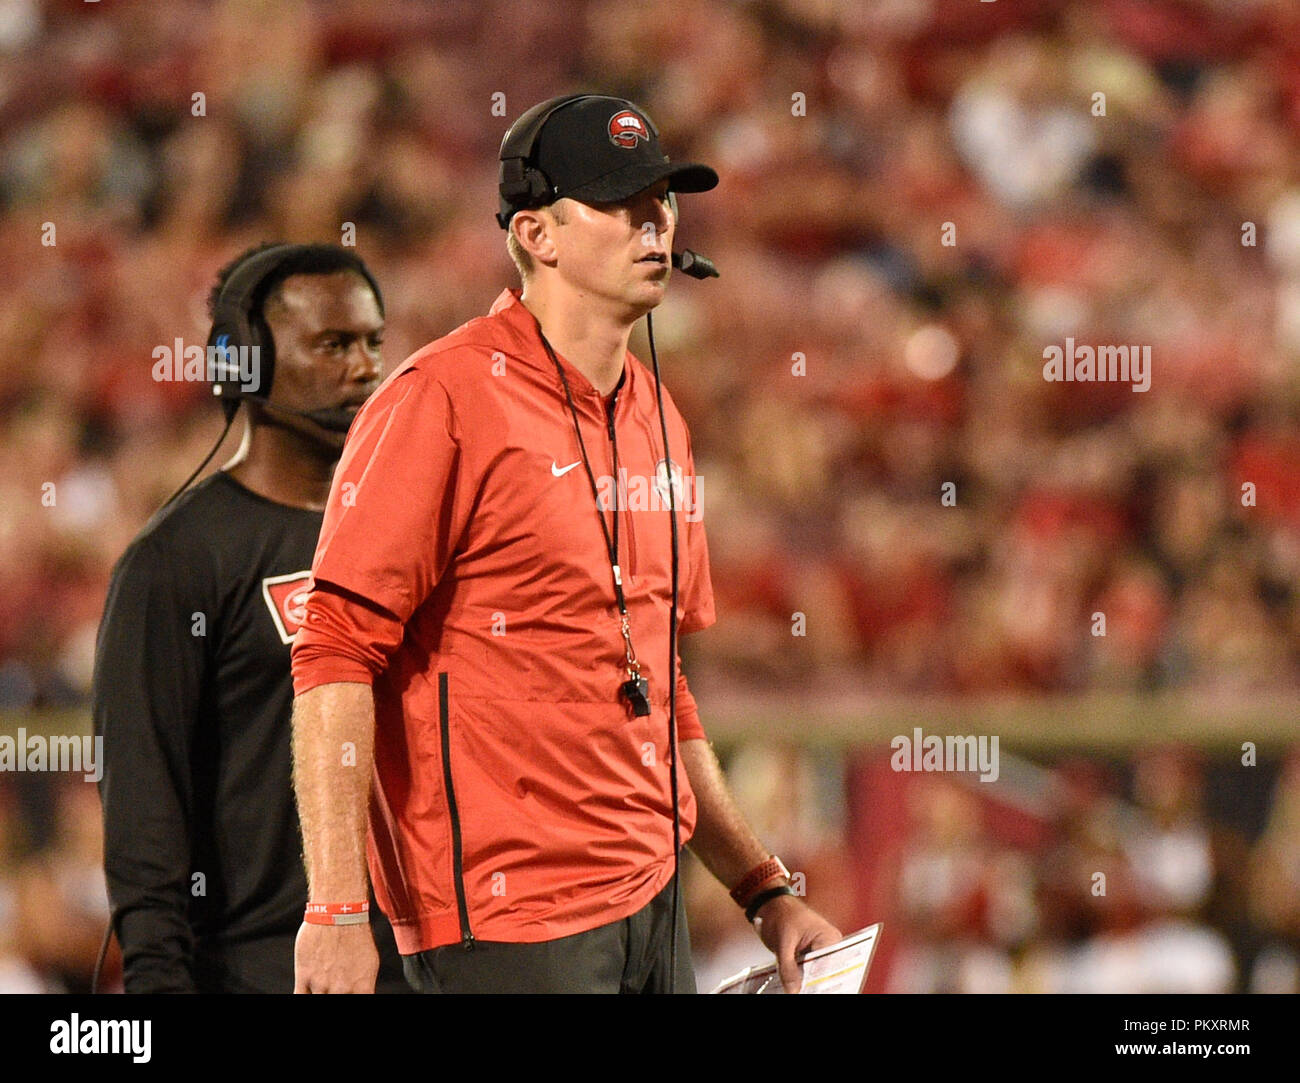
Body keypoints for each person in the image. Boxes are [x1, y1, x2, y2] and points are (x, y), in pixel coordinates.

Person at [290, 96, 842, 995]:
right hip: (507, 921)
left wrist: (763, 888)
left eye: (663, 201)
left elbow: (661, 688)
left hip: (651, 898)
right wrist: (337, 908)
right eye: (622, 203)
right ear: (538, 235)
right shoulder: (442, 398)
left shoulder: (661, 416)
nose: (653, 222)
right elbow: (333, 653)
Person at [94, 243, 408, 993]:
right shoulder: (176, 560)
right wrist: (159, 983)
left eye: (372, 342)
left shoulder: (414, 526)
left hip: (429, 957)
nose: (365, 368)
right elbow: (145, 801)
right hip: (264, 963)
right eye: (333, 344)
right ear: (246, 366)